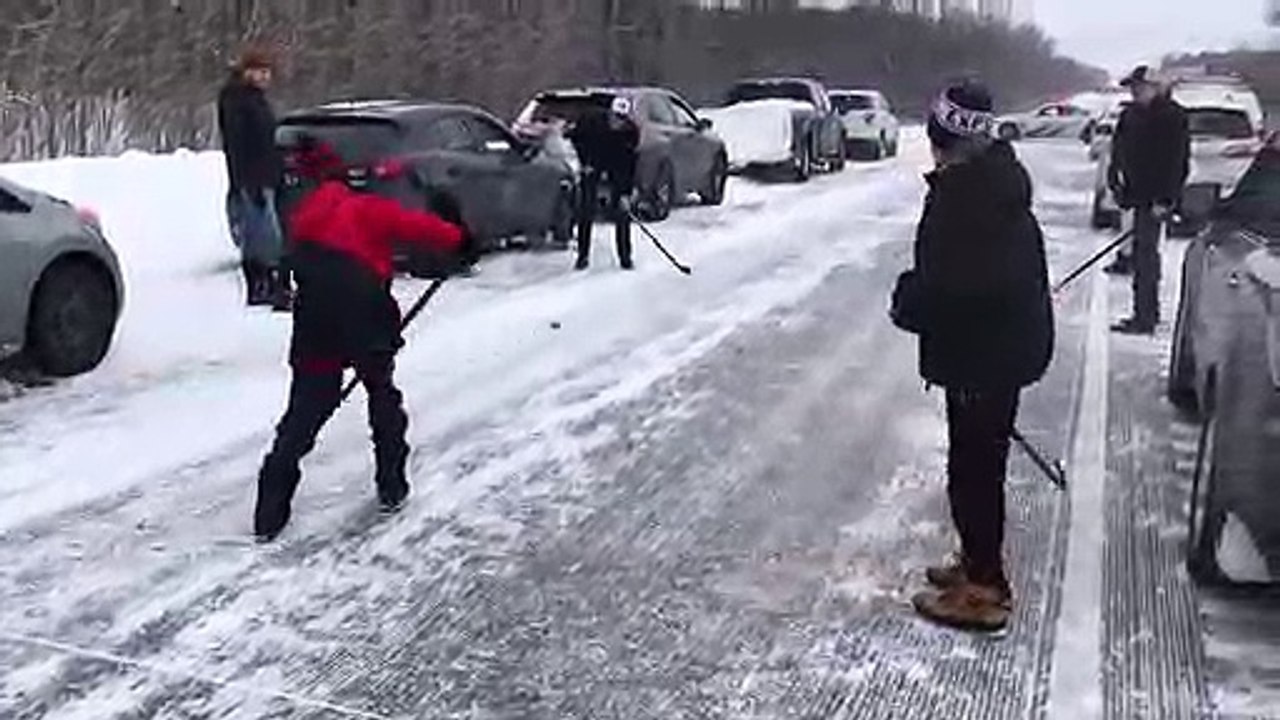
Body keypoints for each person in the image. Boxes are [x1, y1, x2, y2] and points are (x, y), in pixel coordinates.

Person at [892, 80, 1054, 633]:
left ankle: (985, 589)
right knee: (975, 464)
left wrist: (910, 299)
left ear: (946, 138)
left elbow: (959, 287)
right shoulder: (988, 182)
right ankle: (975, 560)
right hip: (996, 347)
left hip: (987, 352)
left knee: (975, 473)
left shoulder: (971, 199)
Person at [253, 138, 464, 542]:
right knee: (381, 393)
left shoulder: (303, 219)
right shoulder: (369, 210)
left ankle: (269, 513)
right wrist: (459, 236)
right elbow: (424, 230)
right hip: (365, 316)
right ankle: (391, 486)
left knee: (305, 411)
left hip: (315, 321)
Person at [1106, 65, 1190, 335]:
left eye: (1140, 87)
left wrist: (1166, 199)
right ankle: (1142, 312)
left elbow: (1177, 162)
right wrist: (1116, 182)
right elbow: (1118, 151)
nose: (1135, 92)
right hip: (1133, 194)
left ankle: (1146, 316)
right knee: (1137, 253)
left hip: (1155, 197)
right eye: (1132, 87)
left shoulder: (1172, 117)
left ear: (1156, 87)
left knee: (1145, 256)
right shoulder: (1130, 115)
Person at [217, 45, 290, 310]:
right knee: (262, 238)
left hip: (266, 177)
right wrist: (248, 183)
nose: (264, 77)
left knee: (268, 236)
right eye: (259, 72)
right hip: (252, 179)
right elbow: (239, 145)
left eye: (267, 72)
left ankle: (270, 287)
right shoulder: (237, 100)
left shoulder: (256, 99)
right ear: (246, 72)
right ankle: (260, 287)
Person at [567, 96, 640, 271]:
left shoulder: (630, 133)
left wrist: (625, 193)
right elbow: (576, 139)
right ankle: (582, 256)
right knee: (587, 208)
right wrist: (585, 162)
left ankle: (625, 257)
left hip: (616, 165)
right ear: (609, 114)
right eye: (616, 117)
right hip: (593, 160)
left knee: (622, 211)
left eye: (622, 119)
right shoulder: (591, 122)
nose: (618, 122)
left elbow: (628, 166)